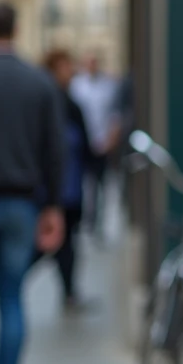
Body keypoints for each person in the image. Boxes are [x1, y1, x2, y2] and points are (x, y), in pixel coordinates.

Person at [0, 1, 65, 364]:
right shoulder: (38, 83)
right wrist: (53, 206)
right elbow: (56, 150)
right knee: (12, 300)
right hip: (21, 204)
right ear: (17, 28)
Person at [29, 49, 94, 310]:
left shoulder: (67, 103)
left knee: (63, 244)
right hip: (56, 189)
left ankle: (69, 292)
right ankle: (68, 292)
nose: (70, 72)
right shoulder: (50, 102)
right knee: (51, 243)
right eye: (65, 67)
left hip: (66, 187)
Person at [69, 52, 122, 238]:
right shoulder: (77, 86)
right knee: (86, 185)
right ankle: (88, 221)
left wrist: (110, 140)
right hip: (84, 144)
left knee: (103, 185)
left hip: (102, 144)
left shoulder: (108, 86)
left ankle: (99, 222)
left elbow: (114, 116)